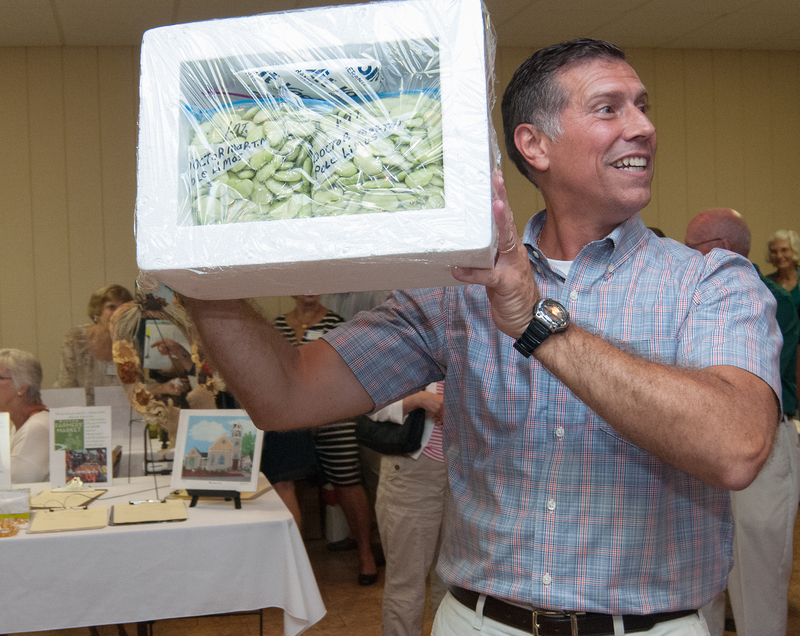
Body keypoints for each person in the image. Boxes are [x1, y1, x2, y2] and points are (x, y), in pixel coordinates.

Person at [182, 39, 781, 635]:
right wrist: (199, 277)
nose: (643, 126)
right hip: (481, 624)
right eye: (609, 108)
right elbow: (286, 397)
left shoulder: (710, 282)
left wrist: (534, 322)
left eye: (643, 106)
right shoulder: (456, 291)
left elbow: (736, 447)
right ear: (534, 145)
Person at [686, 208, 799, 636]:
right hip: (700, 445)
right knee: (700, 580)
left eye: (692, 245)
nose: (685, 254)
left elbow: (745, 382)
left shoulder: (776, 299)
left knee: (758, 576)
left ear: (723, 249)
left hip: (763, 444)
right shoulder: (692, 294)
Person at [265, 295, 378, 586]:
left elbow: (344, 370)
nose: (309, 290)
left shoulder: (336, 323)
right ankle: (295, 561)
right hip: (293, 417)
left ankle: (365, 554)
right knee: (289, 481)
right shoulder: (278, 325)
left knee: (347, 480)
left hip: (333, 414)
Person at [370, 383, 448, 636]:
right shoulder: (407, 347)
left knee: (452, 584)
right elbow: (369, 409)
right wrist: (419, 400)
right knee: (407, 584)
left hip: (462, 475)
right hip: (412, 475)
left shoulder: (480, 350)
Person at [54, 284, 133, 405]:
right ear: (98, 311)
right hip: (80, 412)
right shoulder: (76, 339)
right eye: (111, 307)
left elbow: (133, 386)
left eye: (122, 308)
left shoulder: (130, 342)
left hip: (118, 412)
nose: (117, 313)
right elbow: (66, 385)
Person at [1, 349, 49, 483]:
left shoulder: (36, 427)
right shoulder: (17, 425)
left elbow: (13, 486)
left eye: (0, 378)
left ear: (22, 387)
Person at [766, 229, 800, 313]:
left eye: (784, 250)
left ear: (794, 250)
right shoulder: (767, 282)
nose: (779, 256)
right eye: (774, 251)